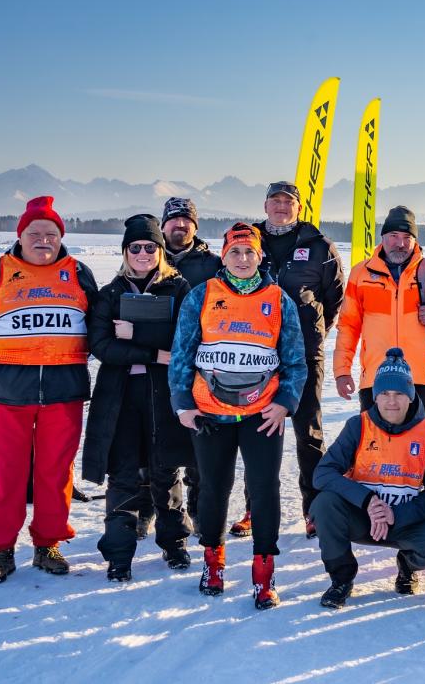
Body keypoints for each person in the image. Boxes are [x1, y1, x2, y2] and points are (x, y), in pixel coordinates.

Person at [169, 223, 307, 609]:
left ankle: (264, 573)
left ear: (260, 256)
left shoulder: (278, 300)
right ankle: (213, 563)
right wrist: (183, 402)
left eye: (249, 252)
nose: (242, 259)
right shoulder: (202, 296)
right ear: (224, 255)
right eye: (235, 252)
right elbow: (182, 352)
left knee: (264, 489)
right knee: (213, 488)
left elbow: (295, 359)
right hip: (211, 413)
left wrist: (286, 401)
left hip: (262, 413)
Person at [0, 196, 99, 584]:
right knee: (4, 473)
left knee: (55, 472)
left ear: (61, 237)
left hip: (64, 391)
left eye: (51, 233)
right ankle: (1, 549)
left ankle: (48, 543)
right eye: (35, 233)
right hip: (9, 392)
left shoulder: (78, 273)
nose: (43, 240)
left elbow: (95, 323)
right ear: (20, 236)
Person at [226, 180, 347, 541]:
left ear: (299, 207)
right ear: (265, 205)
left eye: (288, 201)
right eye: (275, 200)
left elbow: (334, 298)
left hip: (305, 355)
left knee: (308, 433)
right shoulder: (249, 241)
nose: (281, 206)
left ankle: (315, 509)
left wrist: (313, 332)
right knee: (258, 433)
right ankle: (255, 508)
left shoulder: (319, 245)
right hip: (257, 356)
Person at [81, 215, 193, 581]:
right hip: (120, 397)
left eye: (150, 247)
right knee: (123, 473)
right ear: (125, 251)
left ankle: (175, 543)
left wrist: (137, 334)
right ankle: (119, 554)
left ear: (160, 251)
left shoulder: (180, 289)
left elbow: (187, 338)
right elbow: (102, 346)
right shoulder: (110, 293)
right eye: (135, 247)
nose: (142, 253)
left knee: (167, 470)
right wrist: (154, 353)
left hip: (166, 395)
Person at [309, 348, 425, 608]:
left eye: (399, 393)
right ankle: (342, 579)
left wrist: (395, 514)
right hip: (363, 517)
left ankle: (407, 564)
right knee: (323, 504)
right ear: (375, 396)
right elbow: (323, 473)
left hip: (404, 520)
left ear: (411, 395)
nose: (391, 401)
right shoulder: (358, 425)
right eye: (384, 393)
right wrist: (368, 501)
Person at [335, 206, 425, 424]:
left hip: (423, 379)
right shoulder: (361, 274)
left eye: (407, 237)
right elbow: (348, 325)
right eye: (394, 236)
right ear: (383, 237)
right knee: (374, 443)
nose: (400, 243)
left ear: (415, 240)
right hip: (376, 379)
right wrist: (342, 371)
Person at [160, 196, 221, 531]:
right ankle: (163, 510)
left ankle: (200, 509)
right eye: (173, 219)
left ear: (195, 226)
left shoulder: (212, 265)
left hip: (202, 366)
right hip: (158, 361)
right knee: (160, 442)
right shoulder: (149, 256)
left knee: (201, 442)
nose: (180, 225)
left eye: (187, 220)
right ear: (163, 224)